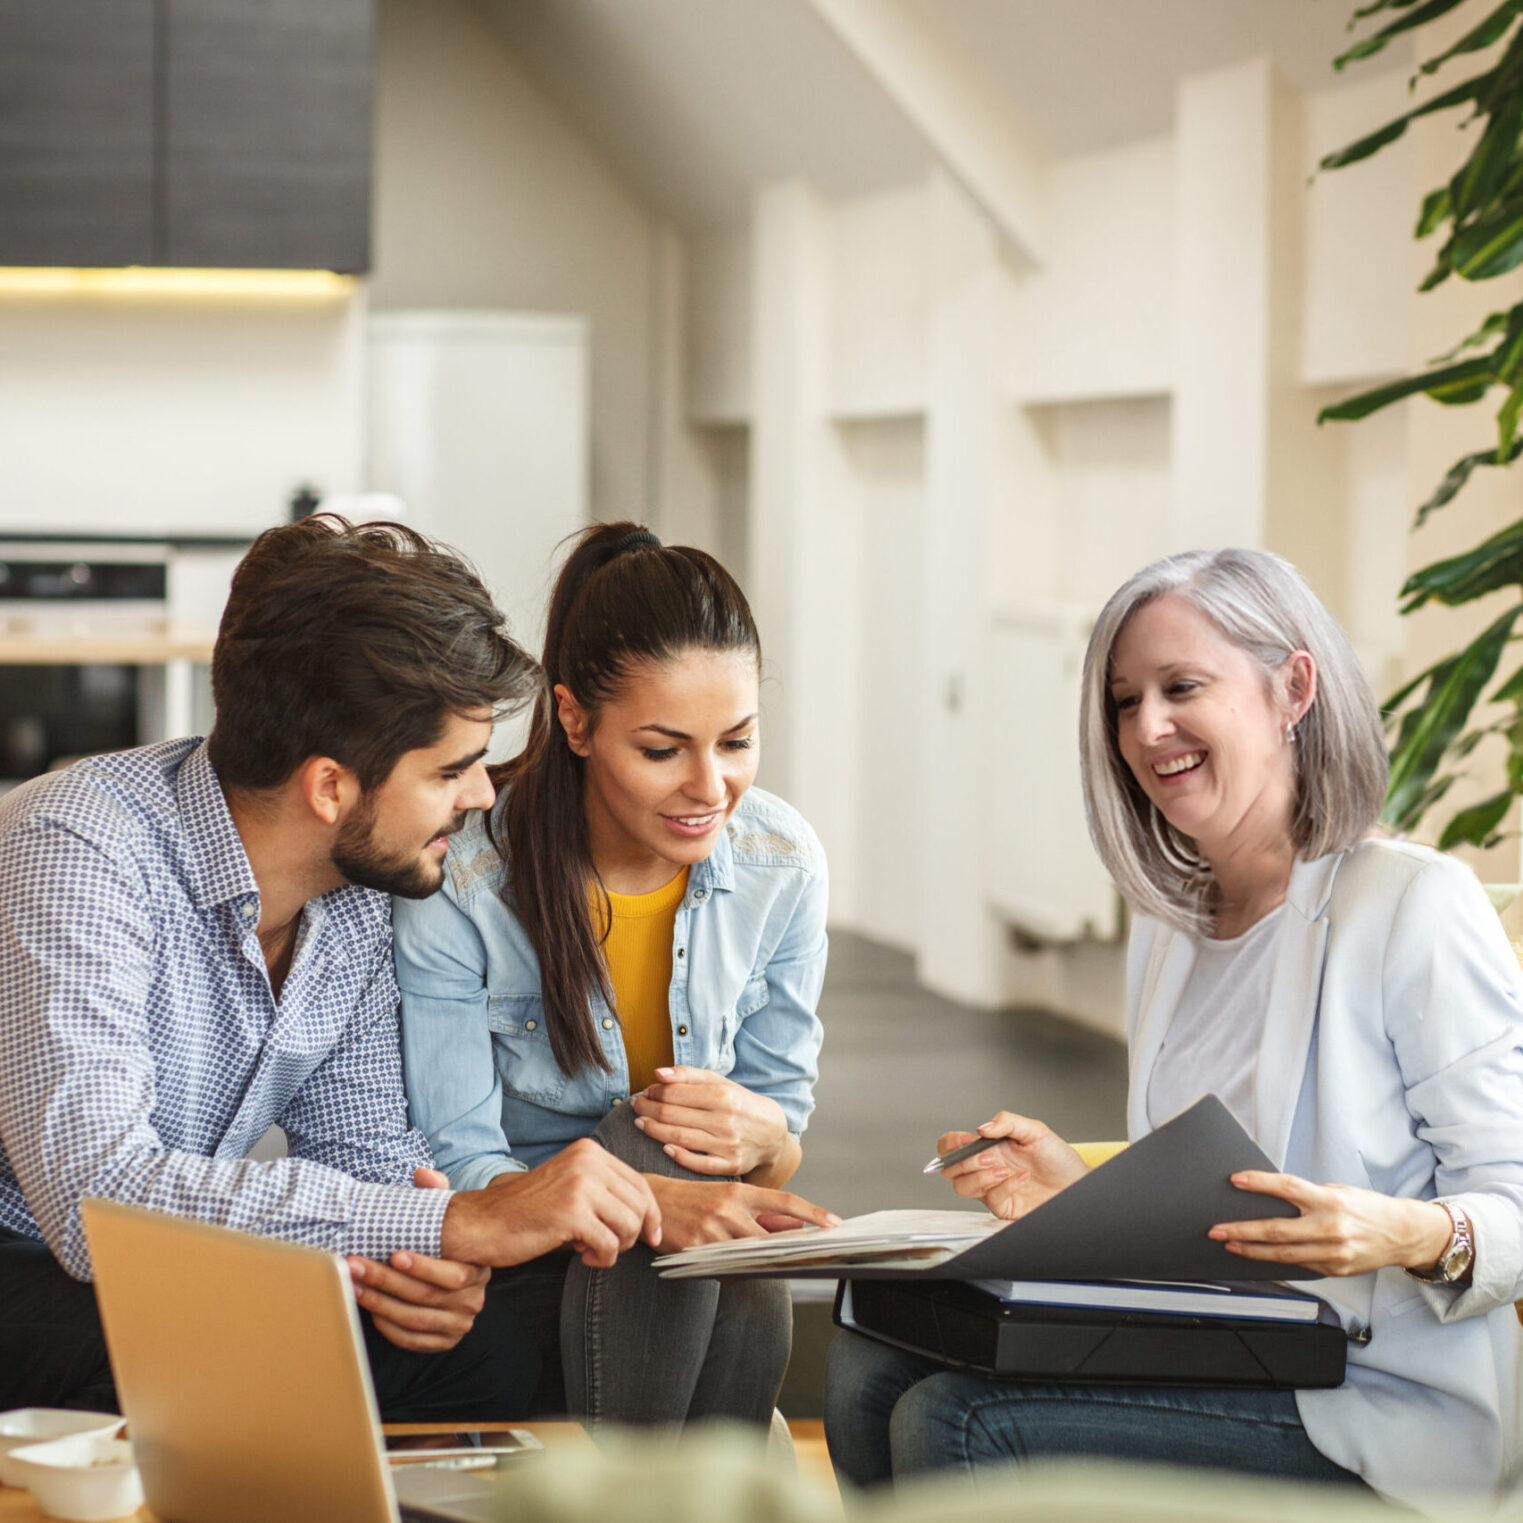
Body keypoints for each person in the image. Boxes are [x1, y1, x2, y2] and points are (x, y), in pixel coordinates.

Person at [824, 548, 1523, 1509]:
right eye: (1122, 700)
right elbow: (1214, 1202)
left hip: (1374, 1399)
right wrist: (1088, 1192)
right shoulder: (1168, 928)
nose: (1147, 727)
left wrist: (1401, 1230)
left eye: (1179, 686)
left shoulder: (1409, 905)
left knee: (956, 1418)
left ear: (1293, 688)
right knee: (868, 1369)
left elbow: (1514, 1206)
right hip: (1233, 1353)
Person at [0, 516, 662, 1421]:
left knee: (495, 1340)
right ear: (329, 787)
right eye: (451, 770)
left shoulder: (353, 896)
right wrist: (452, 1222)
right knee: (194, 1342)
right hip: (33, 1262)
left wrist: (423, 1267)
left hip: (170, 1270)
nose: (477, 796)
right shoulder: (79, 846)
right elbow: (97, 1198)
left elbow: (365, 1152)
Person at [394, 522, 836, 1429]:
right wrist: (649, 1198)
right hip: (526, 1260)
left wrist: (760, 1136)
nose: (710, 786)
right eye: (664, 749)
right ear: (574, 720)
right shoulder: (468, 879)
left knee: (722, 1223)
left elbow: (777, 1143)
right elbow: (458, 1161)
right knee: (643, 1143)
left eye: (738, 742)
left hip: (691, 1265)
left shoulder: (781, 863)